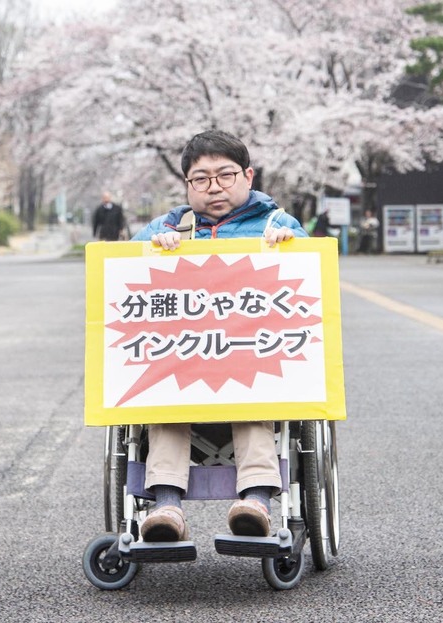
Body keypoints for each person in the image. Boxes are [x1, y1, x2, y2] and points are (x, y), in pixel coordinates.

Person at [130, 129, 307, 542]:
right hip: (184, 365)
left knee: (255, 394)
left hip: (251, 363)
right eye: (201, 179)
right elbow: (124, 271)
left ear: (248, 175)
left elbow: (310, 274)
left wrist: (289, 246)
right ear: (187, 184)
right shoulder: (168, 226)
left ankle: (257, 500)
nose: (214, 188)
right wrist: (153, 248)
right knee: (163, 398)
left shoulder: (275, 223)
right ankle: (166, 507)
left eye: (225, 176)